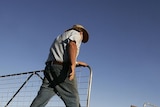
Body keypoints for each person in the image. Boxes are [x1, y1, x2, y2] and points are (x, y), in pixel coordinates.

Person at [30, 24, 89, 107]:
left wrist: (76, 62)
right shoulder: (76, 34)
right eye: (83, 38)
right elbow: (72, 45)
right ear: (81, 32)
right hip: (62, 69)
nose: (82, 40)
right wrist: (72, 65)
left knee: (42, 97)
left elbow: (60, 56)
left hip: (50, 68)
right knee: (72, 97)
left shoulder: (61, 37)